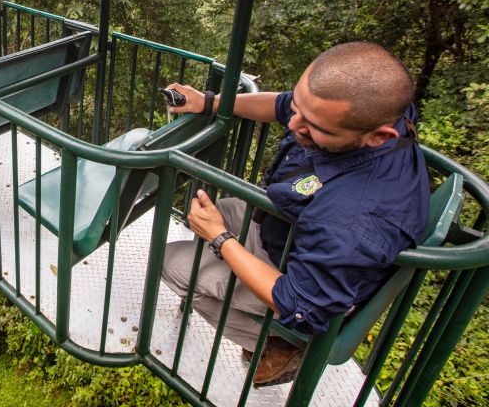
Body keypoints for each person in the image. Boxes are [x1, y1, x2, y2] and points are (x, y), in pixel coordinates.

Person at [160, 42, 429, 387]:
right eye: (299, 108)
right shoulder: (373, 112)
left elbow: (302, 305)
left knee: (169, 262)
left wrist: (220, 239)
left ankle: (280, 346)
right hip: (289, 234)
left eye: (315, 127)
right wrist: (209, 102)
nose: (294, 122)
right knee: (225, 208)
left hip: (303, 284)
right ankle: (231, 276)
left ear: (379, 136)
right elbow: (282, 106)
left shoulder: (353, 221)